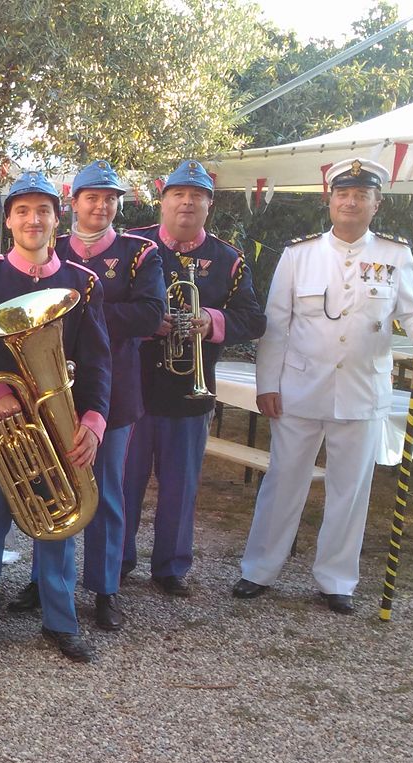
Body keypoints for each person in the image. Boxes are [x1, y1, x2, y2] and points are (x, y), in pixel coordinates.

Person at [234, 158, 413, 614]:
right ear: (329, 200)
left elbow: (410, 314)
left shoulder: (394, 255)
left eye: (361, 195)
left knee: (351, 490)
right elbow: (277, 326)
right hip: (300, 390)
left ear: (376, 204)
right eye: (343, 194)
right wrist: (267, 383)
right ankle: (259, 569)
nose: (351, 202)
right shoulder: (299, 254)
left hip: (362, 392)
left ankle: (337, 579)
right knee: (284, 480)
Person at [0, 172, 110, 663]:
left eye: (42, 210)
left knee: (60, 526)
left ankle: (61, 622)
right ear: (10, 220)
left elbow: (99, 359)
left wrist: (95, 421)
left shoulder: (82, 281)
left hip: (61, 424)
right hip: (0, 428)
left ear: (57, 219)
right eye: (22, 211)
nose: (32, 219)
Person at [25, 159, 165, 632]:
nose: (100, 205)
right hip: (48, 388)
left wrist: (82, 316)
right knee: (46, 485)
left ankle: (105, 587)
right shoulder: (50, 245)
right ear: (74, 202)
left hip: (112, 392)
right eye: (91, 197)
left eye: (109, 198)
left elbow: (150, 315)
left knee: (104, 492)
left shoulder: (139, 253)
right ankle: (41, 581)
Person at [122, 160, 266, 597]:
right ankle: (117, 559)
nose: (187, 202)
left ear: (209, 205)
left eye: (196, 196)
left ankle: (169, 567)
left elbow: (254, 319)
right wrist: (146, 322)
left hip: (190, 391)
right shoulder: (133, 246)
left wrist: (210, 318)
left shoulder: (228, 259)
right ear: (162, 201)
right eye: (178, 195)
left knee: (180, 486)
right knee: (123, 481)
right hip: (135, 388)